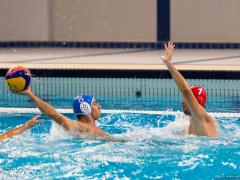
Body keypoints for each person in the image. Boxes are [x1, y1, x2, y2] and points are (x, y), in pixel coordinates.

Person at [161, 41, 219, 137]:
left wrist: (169, 63)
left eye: (185, 98)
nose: (182, 102)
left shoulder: (201, 116)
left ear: (193, 100)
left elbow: (186, 90)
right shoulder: (195, 119)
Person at [20, 88, 116, 141]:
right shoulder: (77, 126)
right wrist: (31, 94)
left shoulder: (92, 128)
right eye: (95, 103)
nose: (99, 106)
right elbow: (52, 113)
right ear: (85, 107)